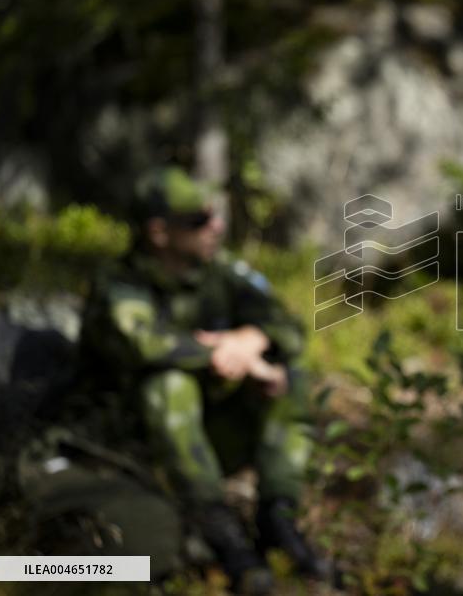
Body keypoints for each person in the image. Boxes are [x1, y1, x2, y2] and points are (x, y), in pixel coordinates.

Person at [77, 165, 334, 594]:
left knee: (288, 376)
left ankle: (278, 515)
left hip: (196, 439)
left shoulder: (219, 271)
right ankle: (218, 530)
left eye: (214, 215)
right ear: (158, 233)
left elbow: (286, 325)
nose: (216, 226)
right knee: (169, 385)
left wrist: (250, 339)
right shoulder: (119, 285)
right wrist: (223, 354)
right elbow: (145, 344)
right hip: (127, 444)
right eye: (198, 220)